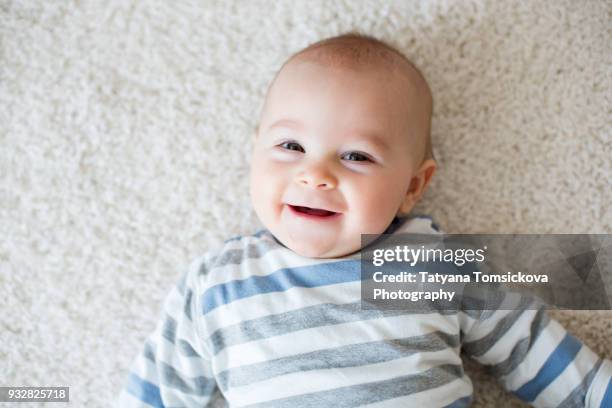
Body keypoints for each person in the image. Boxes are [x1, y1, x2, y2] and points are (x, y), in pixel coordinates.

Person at [116, 32, 612, 407]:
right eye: (291, 146)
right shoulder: (217, 284)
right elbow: (157, 391)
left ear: (413, 187)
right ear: (255, 152)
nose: (316, 174)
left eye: (355, 156)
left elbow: (531, 347)